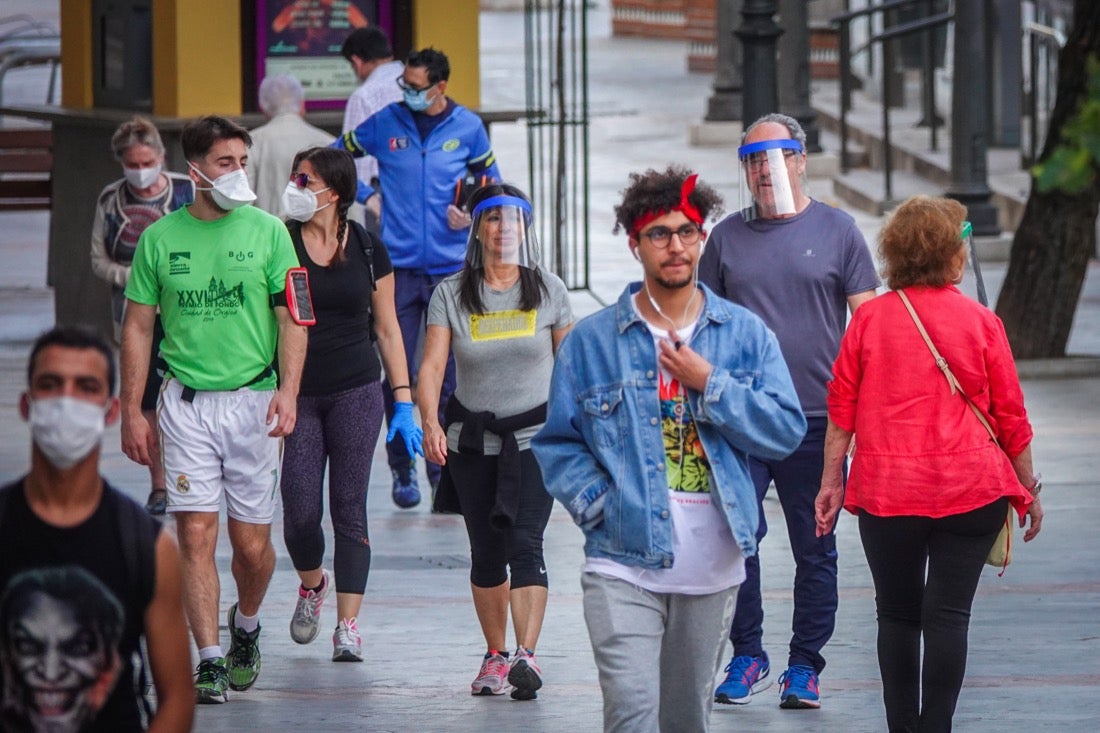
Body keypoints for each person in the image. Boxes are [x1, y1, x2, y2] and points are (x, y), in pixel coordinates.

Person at [532, 166, 806, 732]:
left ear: (703, 237)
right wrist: (600, 507)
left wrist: (712, 383)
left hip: (713, 567)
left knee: (685, 721)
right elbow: (557, 442)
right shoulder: (593, 342)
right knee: (631, 713)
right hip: (621, 561)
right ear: (635, 244)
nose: (675, 245)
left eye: (686, 231)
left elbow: (784, 429)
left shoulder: (744, 335)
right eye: (659, 234)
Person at [814, 195, 1044, 732]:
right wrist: (1028, 489)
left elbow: (841, 407)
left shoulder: (868, 321)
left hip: (887, 492)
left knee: (895, 614)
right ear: (954, 257)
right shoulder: (982, 322)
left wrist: (830, 481)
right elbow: (1011, 415)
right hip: (972, 490)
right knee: (947, 616)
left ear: (894, 255)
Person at [120, 115, 308, 705]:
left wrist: (289, 391)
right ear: (195, 170)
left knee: (252, 545)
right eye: (226, 163)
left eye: (242, 161)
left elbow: (294, 317)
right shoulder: (159, 238)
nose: (238, 173)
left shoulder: (271, 232)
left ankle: (245, 625)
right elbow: (137, 328)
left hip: (254, 401)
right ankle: (207, 658)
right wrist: (132, 408)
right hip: (186, 404)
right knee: (195, 533)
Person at [699, 112, 879, 709]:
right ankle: (747, 654)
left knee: (815, 545)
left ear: (800, 159)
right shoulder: (725, 239)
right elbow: (700, 327)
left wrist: (867, 418)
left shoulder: (839, 232)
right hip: (742, 420)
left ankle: (805, 665)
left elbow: (869, 329)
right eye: (751, 159)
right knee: (736, 538)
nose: (763, 170)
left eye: (774, 156)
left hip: (817, 423)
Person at [418, 183, 573, 700]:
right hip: (472, 442)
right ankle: (495, 655)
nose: (504, 230)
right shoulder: (450, 293)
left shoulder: (548, 289)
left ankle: (527, 657)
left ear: (525, 229)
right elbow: (433, 366)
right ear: (478, 230)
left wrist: (579, 428)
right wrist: (429, 423)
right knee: (486, 552)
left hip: (535, 440)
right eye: (493, 220)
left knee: (526, 541)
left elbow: (571, 366)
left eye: (513, 220)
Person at [0, 326, 193, 732]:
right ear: (26, 404)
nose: (67, 400)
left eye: (85, 386)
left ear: (109, 410)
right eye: (51, 384)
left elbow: (176, 698)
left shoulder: (145, 545)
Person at [334, 46, 502, 509]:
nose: (405, 91)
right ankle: (402, 466)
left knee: (448, 375)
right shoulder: (385, 122)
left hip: (451, 272)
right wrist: (365, 193)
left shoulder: (468, 127)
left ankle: (441, 474)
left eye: (415, 86)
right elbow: (335, 156)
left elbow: (493, 184)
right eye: (403, 83)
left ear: (440, 86)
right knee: (398, 373)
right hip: (397, 270)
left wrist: (469, 211)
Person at [278, 146, 422, 662]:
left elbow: (387, 328)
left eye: (304, 178)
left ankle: (347, 625)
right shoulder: (281, 242)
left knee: (349, 507)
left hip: (358, 390)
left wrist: (403, 400)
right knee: (298, 513)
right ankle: (312, 585)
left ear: (333, 191)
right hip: (298, 394)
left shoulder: (366, 247)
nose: (295, 185)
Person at [89, 116, 194, 516]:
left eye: (146, 161)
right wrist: (134, 277)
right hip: (134, 315)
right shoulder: (110, 200)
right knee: (146, 399)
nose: (140, 170)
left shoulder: (185, 191)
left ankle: (192, 477)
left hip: (186, 312)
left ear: (162, 156)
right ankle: (160, 484)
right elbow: (98, 258)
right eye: (131, 163)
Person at [340, 25, 404, 230]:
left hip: (380, 194)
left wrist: (364, 199)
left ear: (357, 61)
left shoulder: (364, 96)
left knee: (382, 259)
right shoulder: (414, 84)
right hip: (422, 185)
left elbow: (350, 159)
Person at [247, 74, 335, 218]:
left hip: (267, 236)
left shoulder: (250, 143)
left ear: (264, 108)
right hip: (316, 237)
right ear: (302, 105)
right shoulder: (329, 143)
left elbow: (243, 203)